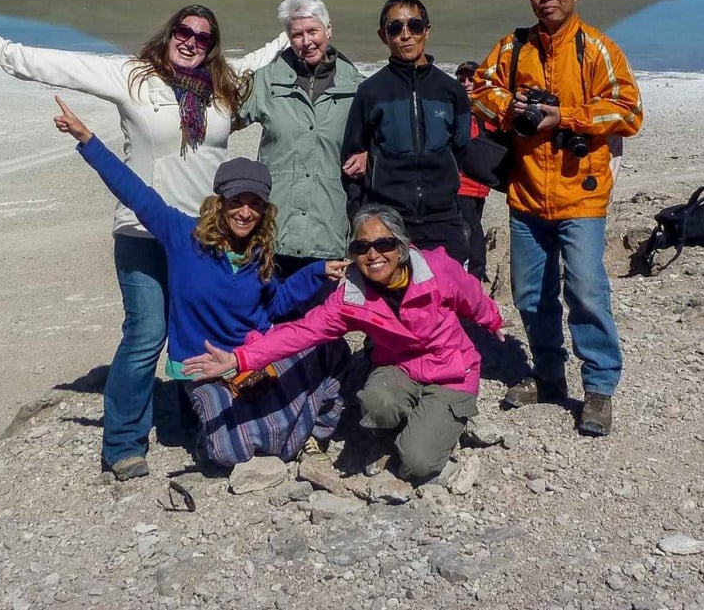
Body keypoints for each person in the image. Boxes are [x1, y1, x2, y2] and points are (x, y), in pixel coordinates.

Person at [0, 7, 284, 480]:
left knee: (199, 330)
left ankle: (194, 423)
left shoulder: (222, 85)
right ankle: (123, 444)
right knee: (146, 332)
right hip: (143, 230)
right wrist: (1, 51)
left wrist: (298, 26)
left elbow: (262, 57)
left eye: (203, 36)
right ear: (169, 32)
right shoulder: (132, 76)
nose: (192, 41)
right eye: (184, 31)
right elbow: (68, 66)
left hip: (202, 236)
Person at [50, 95, 350, 471]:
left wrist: (316, 273)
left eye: (254, 204)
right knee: (229, 450)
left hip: (250, 359)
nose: (245, 212)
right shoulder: (183, 236)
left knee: (329, 349)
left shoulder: (259, 252)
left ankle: (294, 427)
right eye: (236, 201)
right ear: (219, 203)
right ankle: (270, 426)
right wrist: (87, 140)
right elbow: (135, 193)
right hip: (202, 365)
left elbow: (275, 305)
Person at [183, 204, 503, 483]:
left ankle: (438, 426)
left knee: (417, 463)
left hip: (452, 374)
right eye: (362, 248)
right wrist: (240, 359)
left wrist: (493, 319)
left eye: (384, 244)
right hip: (399, 367)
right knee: (377, 402)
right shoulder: (351, 296)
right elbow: (302, 332)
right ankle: (404, 429)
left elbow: (471, 295)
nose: (373, 255)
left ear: (402, 246)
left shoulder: (434, 270)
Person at [470, 0, 643, 437]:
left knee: (586, 290)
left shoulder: (597, 49)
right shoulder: (513, 47)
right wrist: (513, 107)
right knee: (530, 295)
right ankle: (548, 376)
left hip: (581, 196)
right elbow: (479, 89)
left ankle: (599, 388)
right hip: (526, 194)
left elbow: (629, 112)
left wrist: (564, 116)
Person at [236, 0, 364, 277]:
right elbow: (222, 120)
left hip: (328, 235)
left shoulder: (356, 87)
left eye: (313, 31)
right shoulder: (265, 81)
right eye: (297, 35)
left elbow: (382, 139)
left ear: (329, 30)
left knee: (320, 321)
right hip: (272, 235)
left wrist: (370, 156)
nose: (306, 42)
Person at [340, 0, 472, 263]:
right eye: (395, 28)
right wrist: (360, 217)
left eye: (415, 26)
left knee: (446, 297)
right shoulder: (371, 91)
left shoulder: (451, 91)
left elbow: (460, 149)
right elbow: (352, 159)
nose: (406, 35)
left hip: (443, 217)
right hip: (390, 218)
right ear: (383, 36)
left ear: (427, 30)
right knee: (393, 299)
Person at [453, 61, 492, 282]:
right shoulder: (454, 108)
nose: (467, 83)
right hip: (460, 183)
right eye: (463, 80)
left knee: (472, 226)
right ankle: (474, 275)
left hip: (481, 184)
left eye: (471, 79)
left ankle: (473, 273)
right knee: (472, 231)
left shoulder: (487, 109)